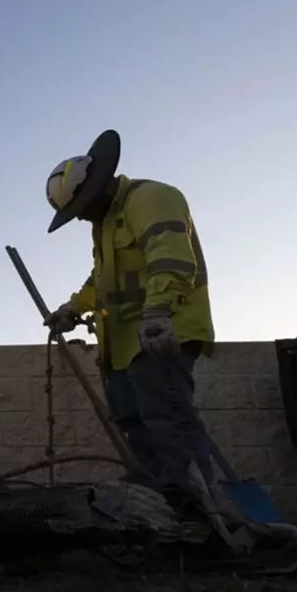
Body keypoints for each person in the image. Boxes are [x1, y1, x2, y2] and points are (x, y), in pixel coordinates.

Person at [43, 129, 216, 506]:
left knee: (168, 422)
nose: (80, 219)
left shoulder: (151, 198)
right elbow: (101, 280)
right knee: (133, 424)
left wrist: (157, 312)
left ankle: (201, 511)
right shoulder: (105, 224)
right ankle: (162, 507)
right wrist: (74, 308)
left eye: (81, 208)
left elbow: (170, 258)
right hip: (122, 347)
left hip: (161, 332)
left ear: (99, 187)